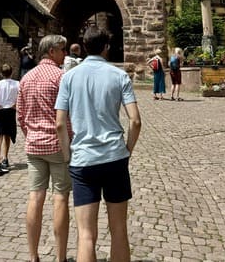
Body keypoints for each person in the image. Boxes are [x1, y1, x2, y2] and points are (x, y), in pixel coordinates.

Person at [55, 26, 141, 262]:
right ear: (106, 47)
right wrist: (127, 151)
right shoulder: (119, 75)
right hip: (115, 157)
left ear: (84, 47)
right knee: (119, 231)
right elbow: (135, 121)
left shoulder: (69, 77)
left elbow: (60, 124)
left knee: (85, 235)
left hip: (83, 160)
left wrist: (67, 156)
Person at [16, 34, 72, 262]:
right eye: (62, 50)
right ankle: (60, 257)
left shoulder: (26, 78)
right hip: (58, 146)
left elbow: (20, 115)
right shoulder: (62, 78)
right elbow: (67, 117)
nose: (65, 54)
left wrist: (31, 135)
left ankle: (33, 256)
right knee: (60, 198)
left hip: (34, 147)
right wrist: (69, 143)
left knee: (35, 198)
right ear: (51, 52)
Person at [0, 63, 20, 175]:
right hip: (10, 111)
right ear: (12, 73)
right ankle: (5, 159)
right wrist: (15, 103)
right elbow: (22, 94)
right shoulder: (17, 83)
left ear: (1, 74)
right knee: (8, 135)